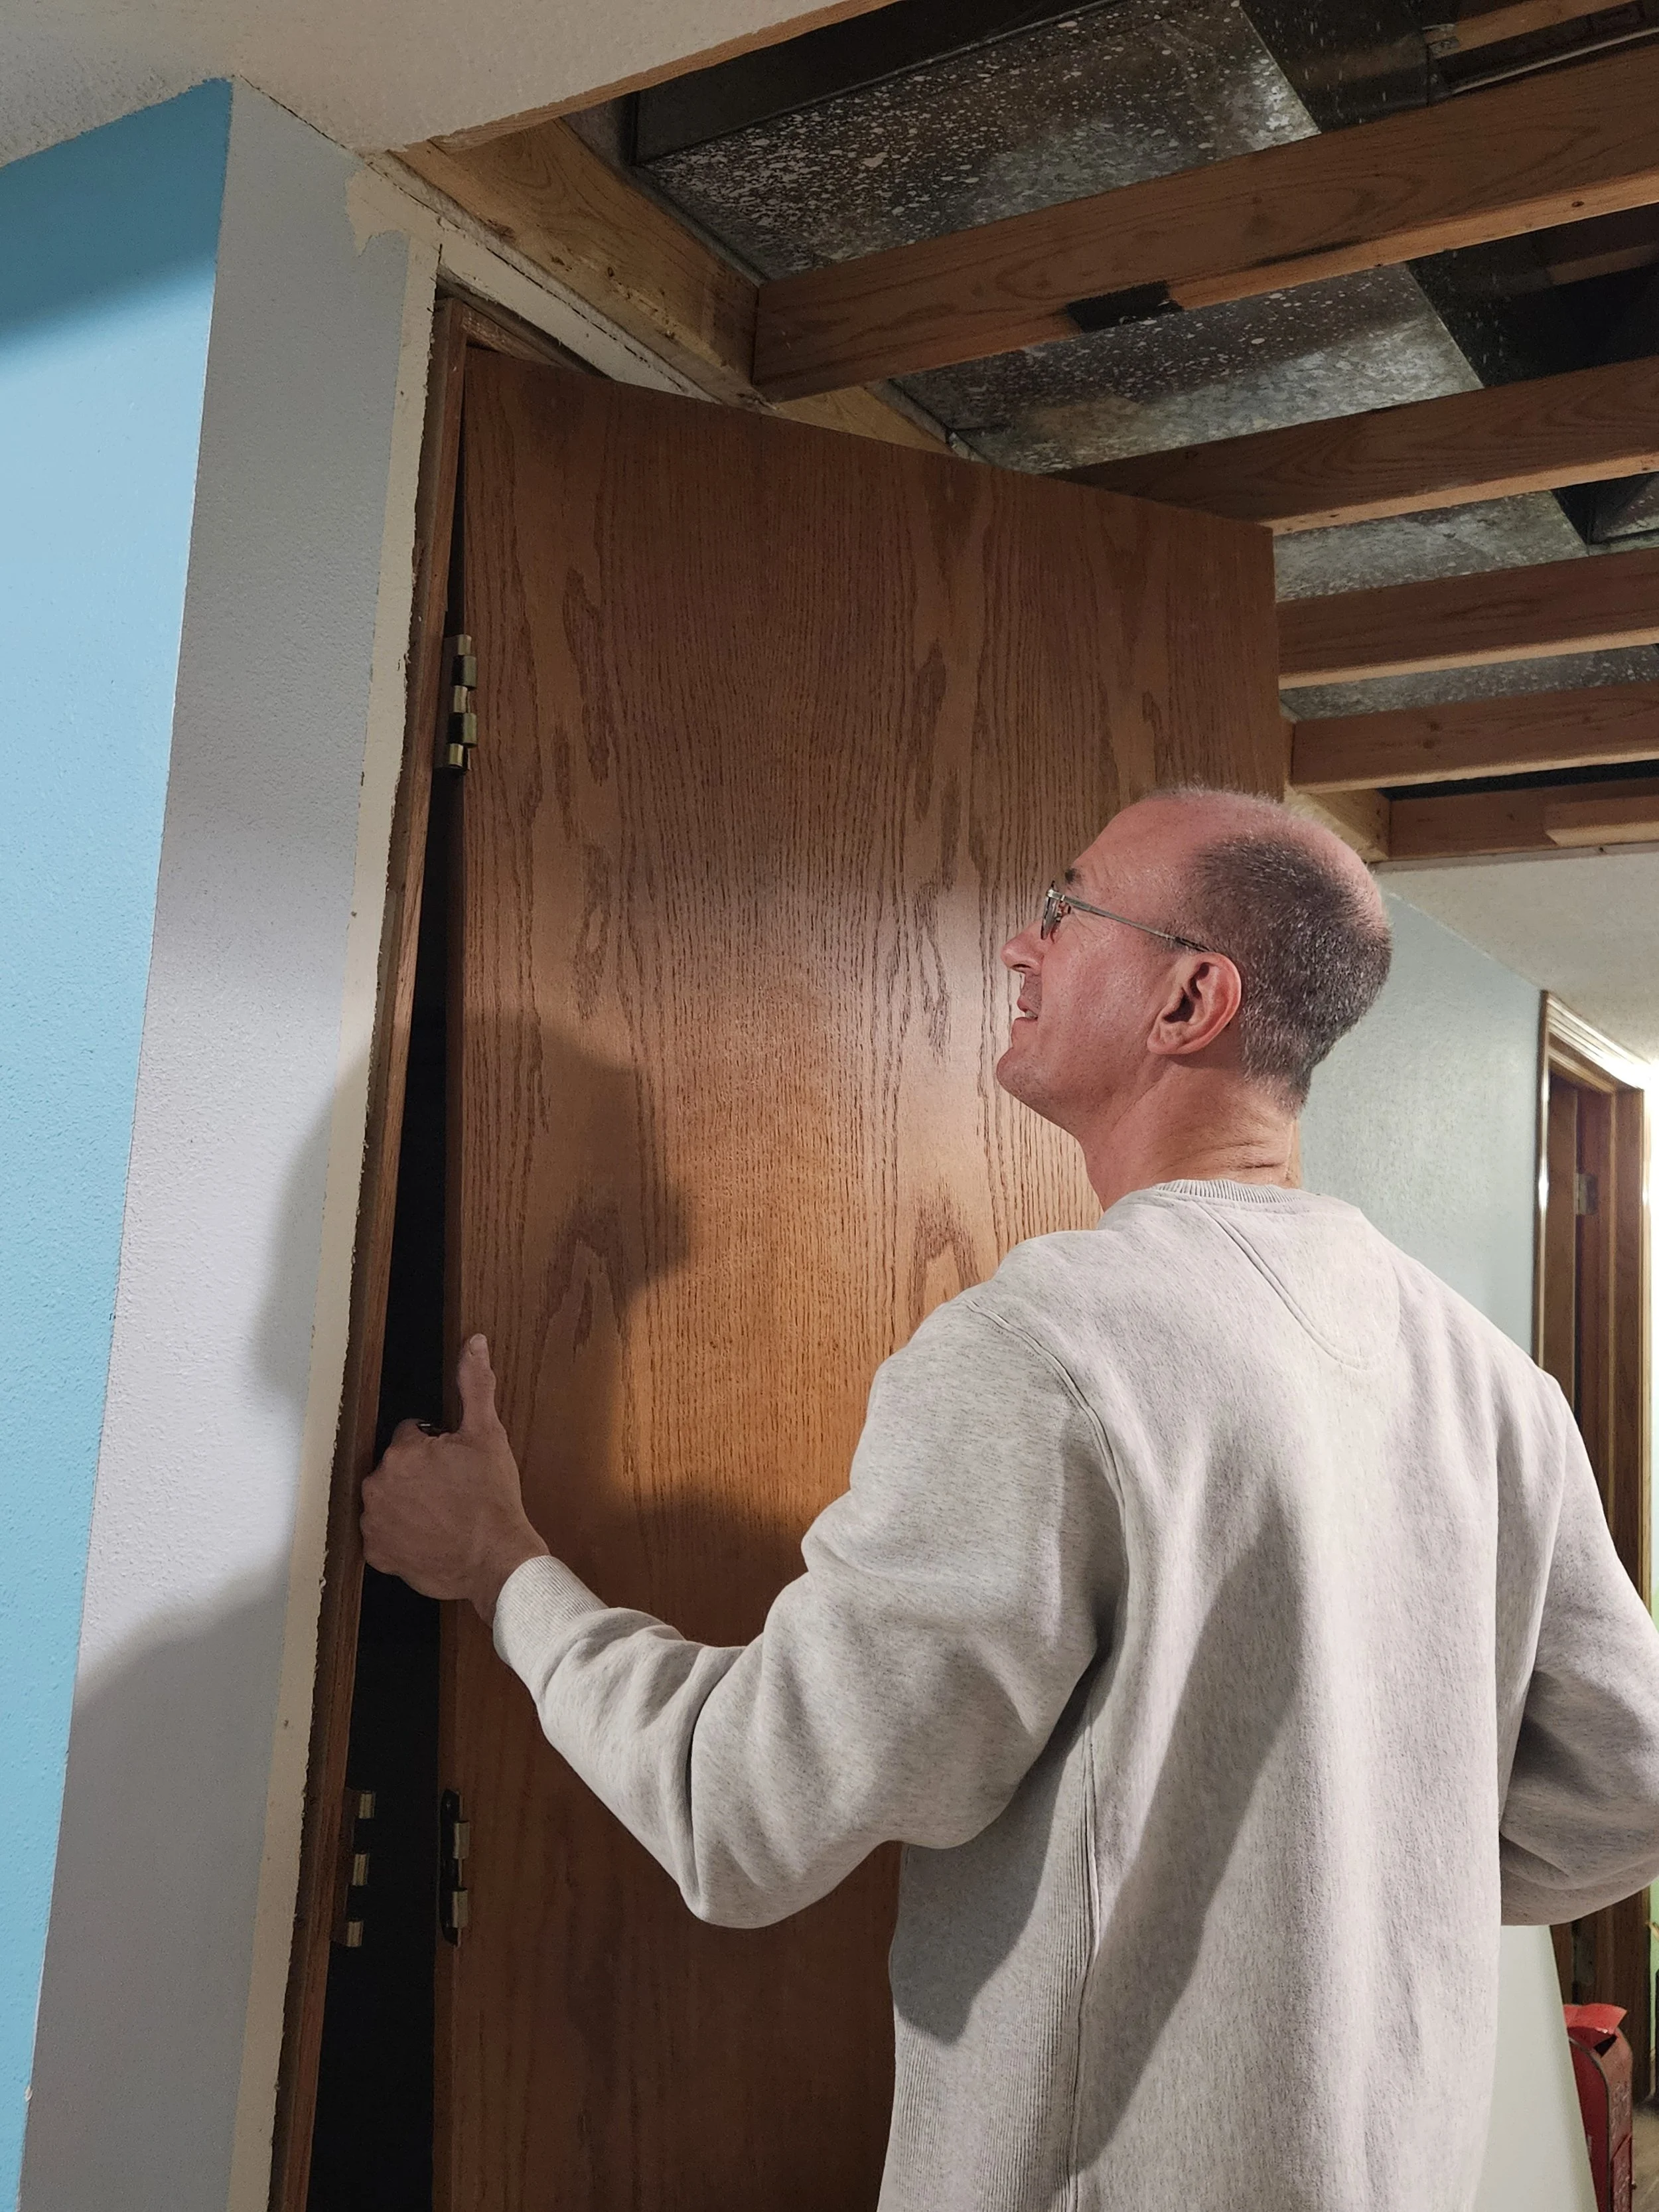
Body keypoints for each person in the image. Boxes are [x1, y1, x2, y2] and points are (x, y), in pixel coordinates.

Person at [362, 786, 1659, 2211]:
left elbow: (741, 1811)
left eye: (1065, 907)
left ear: (1188, 1001)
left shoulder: (1051, 1347)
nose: (1018, 945)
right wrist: (1346, 1877)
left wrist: (501, 1567)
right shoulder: (1493, 1384)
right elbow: (1626, 1789)